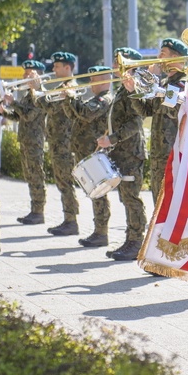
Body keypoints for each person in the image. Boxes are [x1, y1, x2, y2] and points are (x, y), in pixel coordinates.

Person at [99, 48, 148, 261]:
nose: (114, 66)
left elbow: (136, 122)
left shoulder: (133, 87)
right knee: (126, 197)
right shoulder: (123, 88)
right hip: (122, 151)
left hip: (131, 152)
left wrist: (113, 138)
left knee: (132, 198)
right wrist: (107, 138)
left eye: (119, 63)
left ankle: (137, 242)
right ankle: (131, 240)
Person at [131, 37, 188, 204]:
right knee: (158, 202)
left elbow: (170, 108)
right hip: (159, 153)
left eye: (162, 54)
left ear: (175, 58)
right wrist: (133, 91)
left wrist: (152, 81)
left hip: (172, 153)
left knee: (169, 203)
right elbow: (147, 110)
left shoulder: (181, 84)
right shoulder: (164, 83)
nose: (158, 58)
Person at [66, 66, 115, 248]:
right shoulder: (94, 99)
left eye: (93, 80)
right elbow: (76, 113)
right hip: (87, 151)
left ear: (102, 80)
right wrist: (67, 99)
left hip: (94, 152)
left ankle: (101, 233)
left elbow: (86, 114)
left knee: (99, 193)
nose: (91, 84)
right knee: (95, 193)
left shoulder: (104, 99)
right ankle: (98, 231)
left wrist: (71, 96)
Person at [34, 52, 81, 236]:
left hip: (65, 143)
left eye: (57, 66)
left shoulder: (70, 88)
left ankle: (71, 221)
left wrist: (39, 88)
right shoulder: (63, 86)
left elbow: (49, 107)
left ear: (67, 68)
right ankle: (68, 219)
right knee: (62, 182)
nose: (53, 69)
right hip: (58, 141)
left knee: (65, 182)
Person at [0, 60, 48, 226]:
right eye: (25, 73)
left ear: (38, 75)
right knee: (29, 175)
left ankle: (38, 212)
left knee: (36, 176)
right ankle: (34, 210)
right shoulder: (28, 95)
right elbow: (19, 117)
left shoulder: (41, 95)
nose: (25, 76)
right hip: (26, 139)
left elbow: (29, 115)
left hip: (35, 141)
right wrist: (4, 111)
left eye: (29, 74)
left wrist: (13, 102)